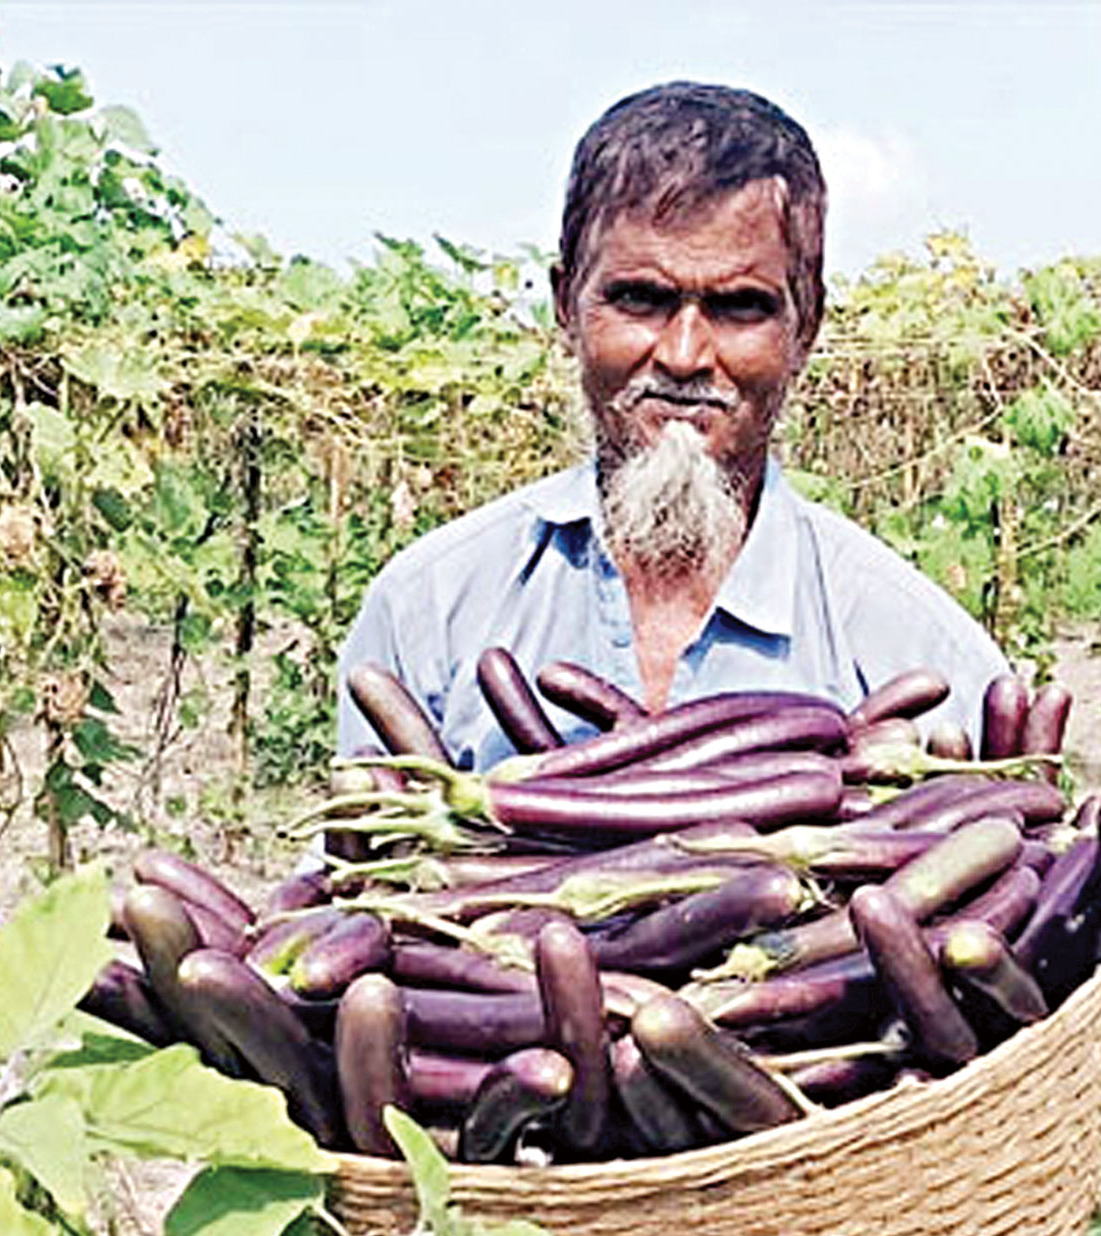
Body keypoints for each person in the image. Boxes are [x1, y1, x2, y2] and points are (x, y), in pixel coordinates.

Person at [337, 81, 1009, 769]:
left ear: (805, 328)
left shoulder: (923, 655)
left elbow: (1029, 862)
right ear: (567, 306)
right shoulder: (428, 610)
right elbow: (353, 868)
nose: (685, 355)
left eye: (740, 307)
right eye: (639, 298)